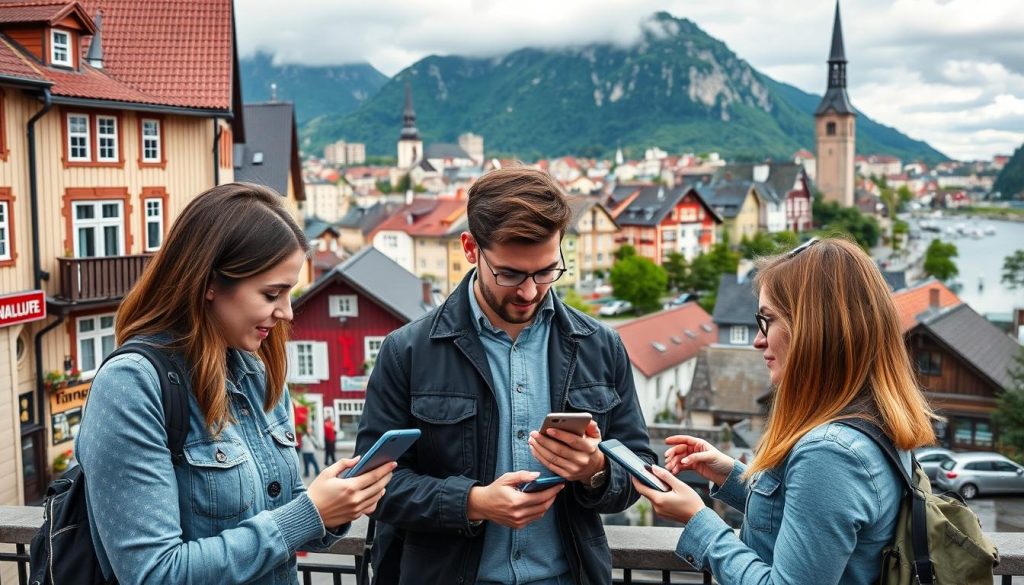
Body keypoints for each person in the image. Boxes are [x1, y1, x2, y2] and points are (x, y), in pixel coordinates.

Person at [76, 183, 394, 585]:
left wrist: (335, 505)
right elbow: (153, 573)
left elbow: (284, 509)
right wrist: (309, 513)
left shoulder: (256, 370)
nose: (286, 312)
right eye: (271, 293)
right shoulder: (131, 385)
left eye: (288, 292)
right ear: (209, 282)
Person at [355, 167, 655, 585]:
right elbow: (375, 487)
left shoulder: (601, 345)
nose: (529, 292)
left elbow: (641, 470)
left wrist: (596, 470)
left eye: (546, 271)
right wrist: (473, 503)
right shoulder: (407, 351)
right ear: (470, 248)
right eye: (510, 274)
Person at [631, 237, 938, 584]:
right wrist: (731, 475)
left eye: (768, 320)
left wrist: (698, 520)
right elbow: (811, 523)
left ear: (814, 329)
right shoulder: (870, 418)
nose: (758, 340)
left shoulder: (831, 453)